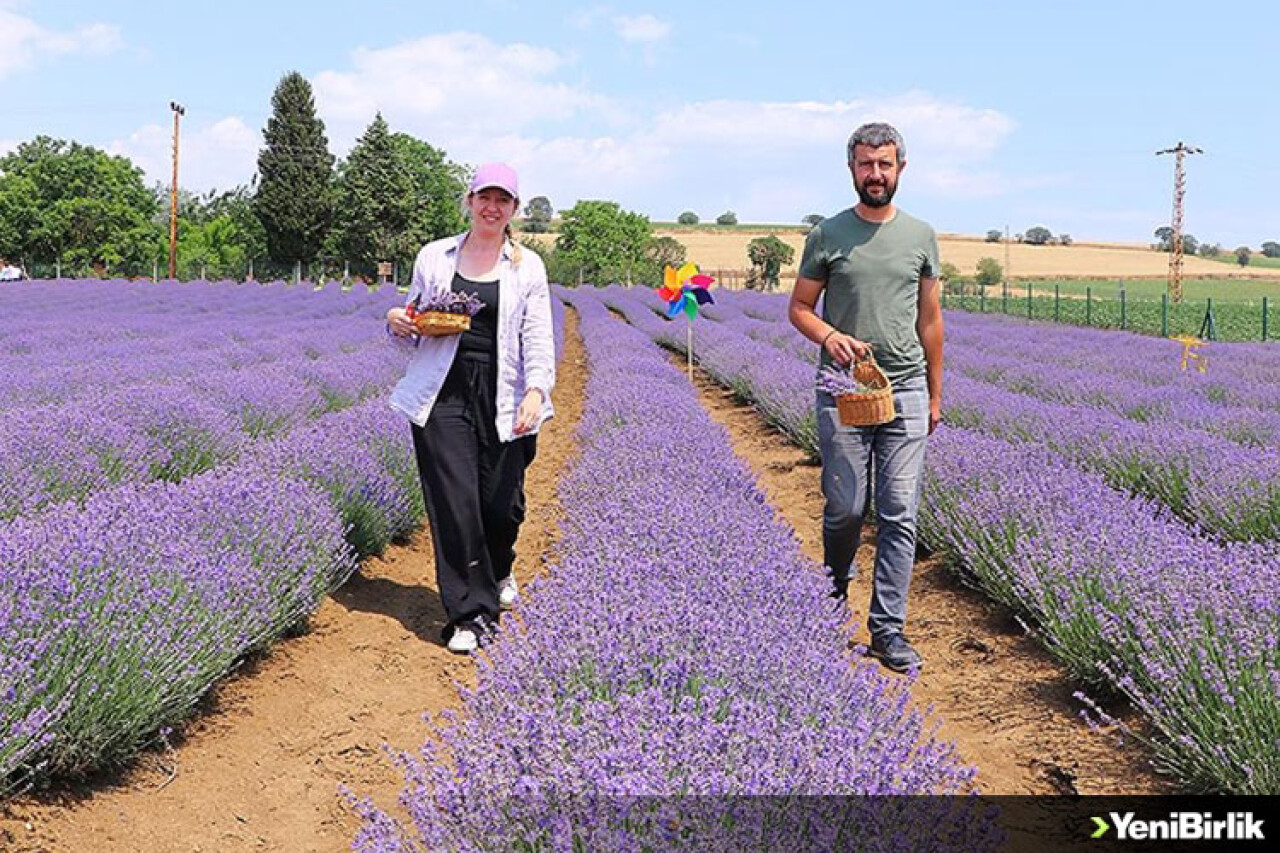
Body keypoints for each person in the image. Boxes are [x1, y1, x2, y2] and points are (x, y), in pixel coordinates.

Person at [787, 122, 944, 673]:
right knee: (847, 508)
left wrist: (934, 394)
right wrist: (830, 336)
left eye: (884, 164)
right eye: (865, 165)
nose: (875, 174)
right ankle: (833, 590)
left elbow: (931, 320)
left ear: (901, 167)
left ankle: (887, 631)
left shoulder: (922, 236)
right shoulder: (828, 235)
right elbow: (800, 307)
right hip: (843, 390)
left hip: (906, 390)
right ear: (851, 168)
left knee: (899, 514)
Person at [386, 162, 556, 654]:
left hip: (505, 393)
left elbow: (539, 336)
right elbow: (415, 318)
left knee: (501, 506)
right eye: (485, 196)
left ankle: (499, 567)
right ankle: (471, 614)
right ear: (469, 200)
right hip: (443, 391)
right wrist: (398, 320)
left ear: (514, 210)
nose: (492, 207)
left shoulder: (528, 267)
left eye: (503, 200)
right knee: (456, 505)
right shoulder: (435, 256)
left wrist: (537, 390)